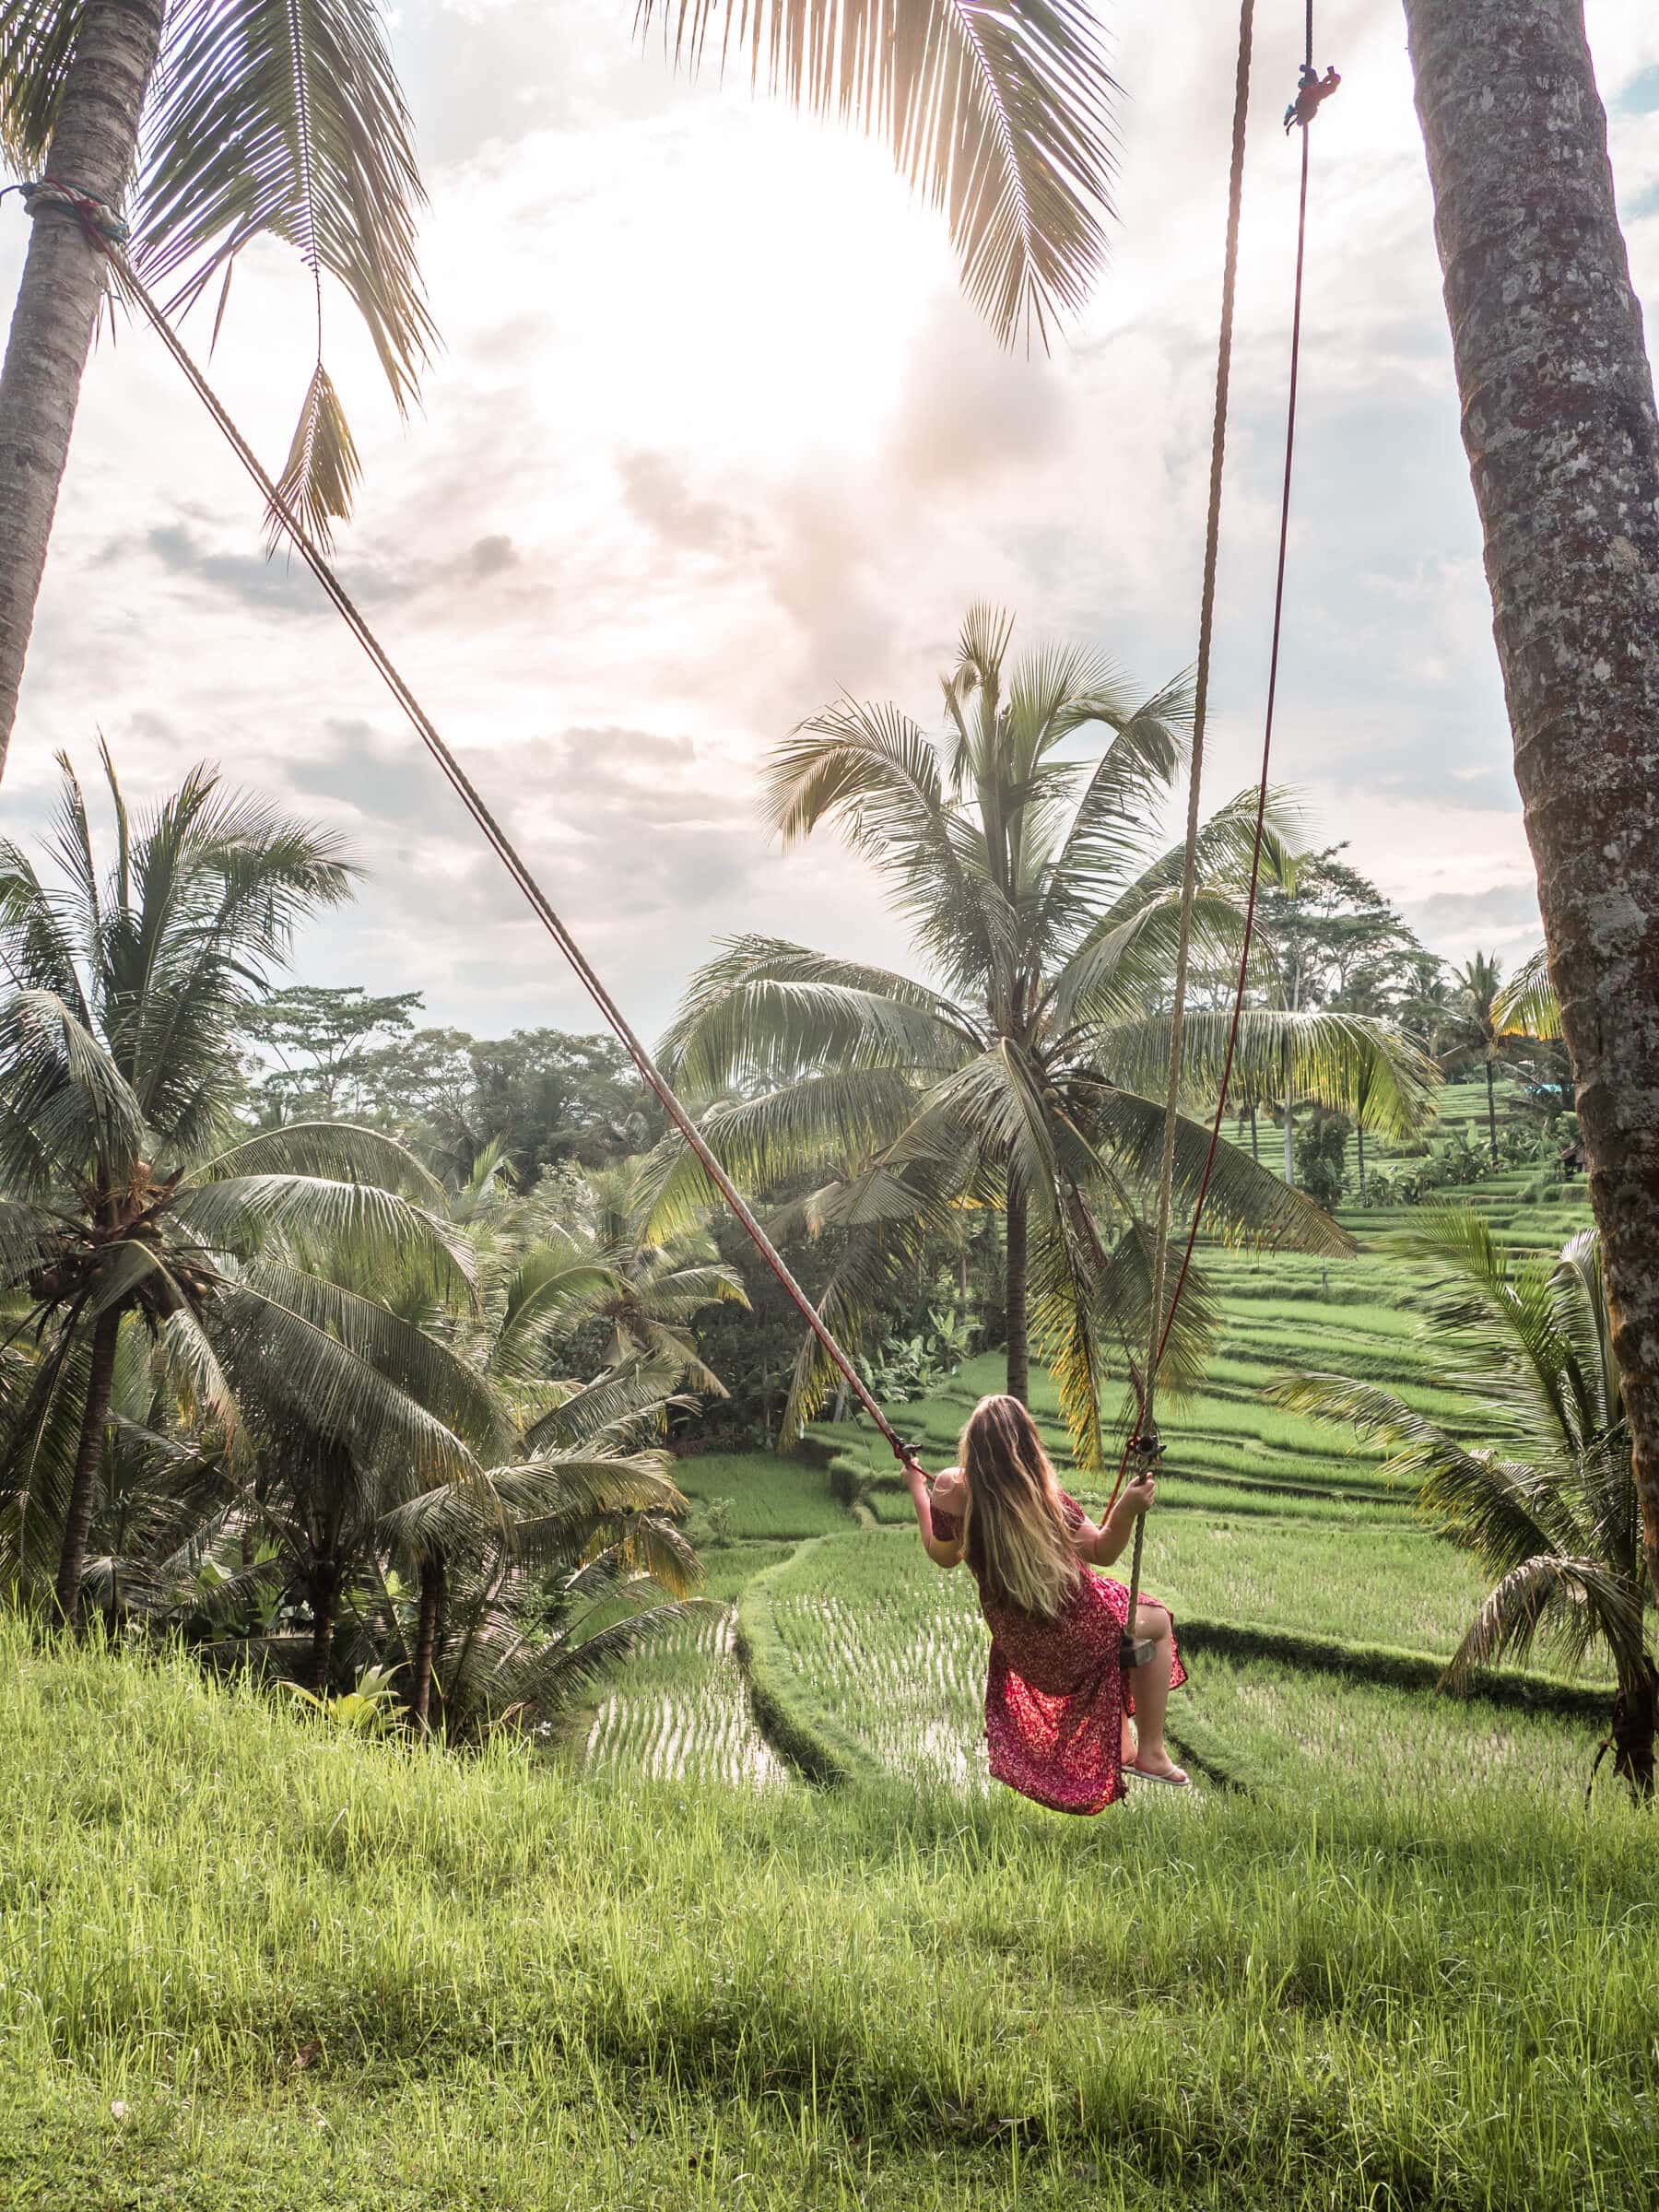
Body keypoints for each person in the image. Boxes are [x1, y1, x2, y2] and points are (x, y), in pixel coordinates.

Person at [905, 1393, 1188, 1812]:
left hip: (1025, 1651)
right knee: (1158, 1621)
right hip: (1078, 1638)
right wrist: (1126, 1508)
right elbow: (1104, 1551)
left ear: (974, 1447)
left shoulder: (950, 1491)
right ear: (1028, 1443)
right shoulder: (1046, 1500)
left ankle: (1126, 1743)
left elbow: (942, 1554)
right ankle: (1152, 1750)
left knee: (1117, 1621)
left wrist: (917, 1487)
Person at [1285, 62, 1341, 134]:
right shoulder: (1325, 85)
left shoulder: (1331, 88)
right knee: (1313, 73)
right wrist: (1331, 75)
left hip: (1308, 100)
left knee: (1313, 110)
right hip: (1306, 94)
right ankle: (1297, 117)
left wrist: (1332, 75)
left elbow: (1326, 82)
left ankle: (1299, 119)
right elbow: (1326, 80)